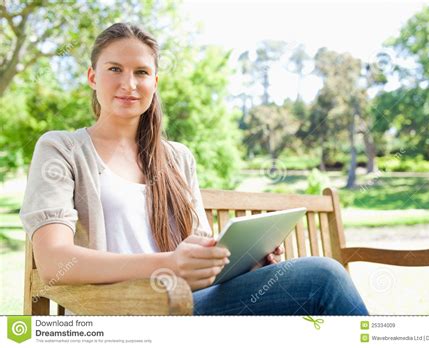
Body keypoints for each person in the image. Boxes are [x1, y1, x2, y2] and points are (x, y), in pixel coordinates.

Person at [19, 22, 369, 315]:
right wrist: (169, 263)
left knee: (318, 281)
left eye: (141, 72)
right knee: (323, 277)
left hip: (190, 300)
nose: (129, 83)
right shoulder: (61, 148)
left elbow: (199, 248)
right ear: (92, 77)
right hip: (125, 309)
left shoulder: (177, 157)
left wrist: (247, 261)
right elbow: (53, 261)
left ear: (154, 84)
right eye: (115, 69)